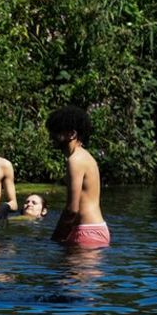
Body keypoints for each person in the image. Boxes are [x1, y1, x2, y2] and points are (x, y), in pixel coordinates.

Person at [46, 106, 109, 248]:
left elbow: (71, 209)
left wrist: (55, 237)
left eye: (56, 132)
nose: (51, 137)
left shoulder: (75, 160)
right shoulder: (85, 157)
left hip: (86, 232)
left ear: (72, 134)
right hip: (94, 229)